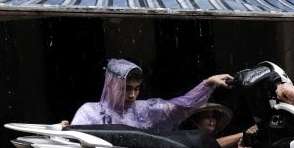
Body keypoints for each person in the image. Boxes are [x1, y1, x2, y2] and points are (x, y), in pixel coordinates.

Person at [69, 58, 233, 132]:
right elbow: (73, 142)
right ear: (112, 86)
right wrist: (65, 131)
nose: (133, 95)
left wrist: (207, 84)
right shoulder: (89, 112)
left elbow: (179, 107)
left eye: (137, 88)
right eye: (126, 89)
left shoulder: (143, 110)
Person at [186, 102, 258, 148]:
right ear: (195, 121)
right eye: (206, 116)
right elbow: (212, 145)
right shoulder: (190, 139)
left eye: (213, 117)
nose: (211, 120)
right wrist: (245, 133)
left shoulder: (220, 143)